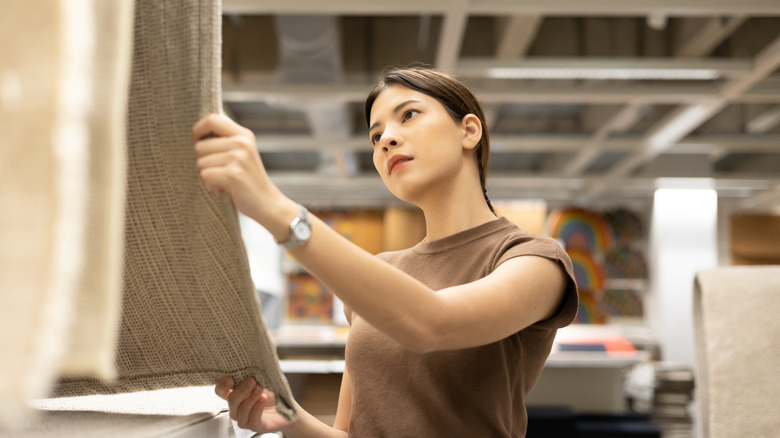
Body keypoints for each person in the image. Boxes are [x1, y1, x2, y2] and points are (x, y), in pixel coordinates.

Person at [192, 66, 578, 437]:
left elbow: (433, 324)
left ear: (469, 130)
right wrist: (290, 418)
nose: (387, 140)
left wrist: (275, 208)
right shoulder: (382, 273)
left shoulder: (535, 260)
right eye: (376, 137)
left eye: (408, 115)